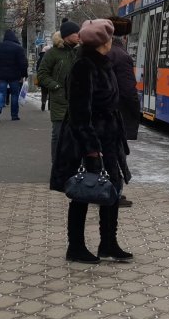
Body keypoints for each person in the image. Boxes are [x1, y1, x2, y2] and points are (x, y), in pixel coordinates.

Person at [50, 18, 132, 264]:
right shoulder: (84, 66)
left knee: (113, 189)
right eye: (109, 38)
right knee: (84, 191)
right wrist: (92, 151)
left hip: (108, 137)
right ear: (102, 42)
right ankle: (75, 247)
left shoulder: (102, 62)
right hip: (88, 141)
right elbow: (79, 113)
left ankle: (108, 243)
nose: (112, 41)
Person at [107, 16, 140, 208]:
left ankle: (101, 188)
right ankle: (113, 194)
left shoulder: (93, 53)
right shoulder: (122, 56)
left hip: (100, 114)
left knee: (104, 153)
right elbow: (128, 90)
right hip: (117, 113)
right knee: (116, 154)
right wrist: (136, 110)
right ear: (124, 36)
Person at [38, 21, 81, 162]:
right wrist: (56, 86)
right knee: (58, 134)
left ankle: (73, 165)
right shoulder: (53, 53)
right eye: (76, 33)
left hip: (78, 100)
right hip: (60, 100)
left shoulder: (80, 51)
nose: (78, 35)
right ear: (67, 35)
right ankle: (56, 164)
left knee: (77, 134)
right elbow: (42, 74)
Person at [0, 30, 28, 121]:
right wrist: (23, 75)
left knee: (1, 92)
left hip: (1, 75)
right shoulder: (18, 48)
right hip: (15, 76)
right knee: (14, 94)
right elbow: (23, 63)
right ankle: (14, 115)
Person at [35, 46, 49, 111]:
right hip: (50, 77)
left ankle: (43, 102)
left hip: (42, 77)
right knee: (51, 91)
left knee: (43, 92)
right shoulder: (50, 57)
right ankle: (50, 106)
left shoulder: (40, 59)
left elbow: (37, 69)